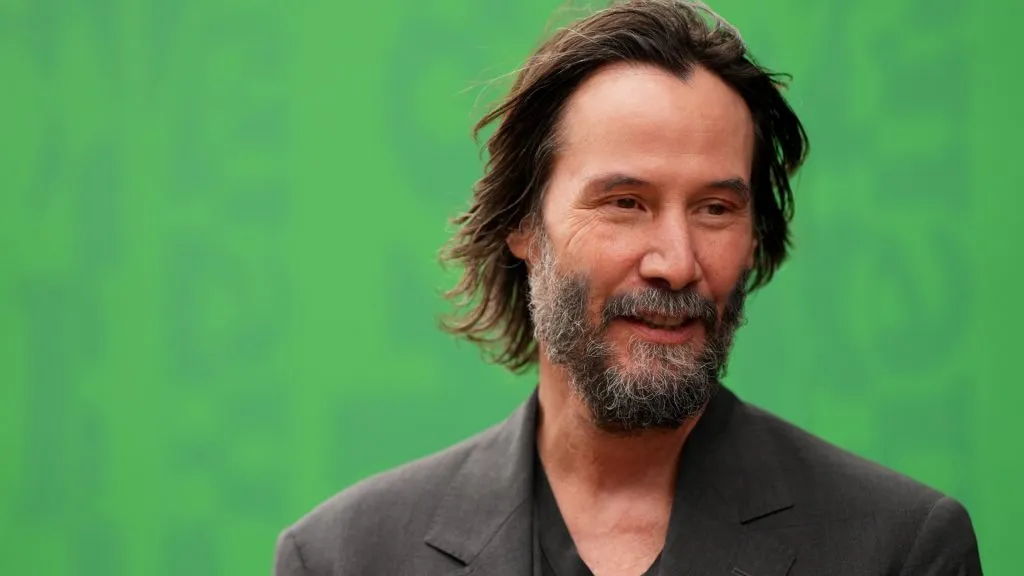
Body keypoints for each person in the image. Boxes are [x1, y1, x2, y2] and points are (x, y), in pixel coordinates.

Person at [274, 1, 983, 574]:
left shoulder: (901, 549)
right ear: (524, 225)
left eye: (716, 208)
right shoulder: (344, 558)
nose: (675, 262)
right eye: (625, 203)